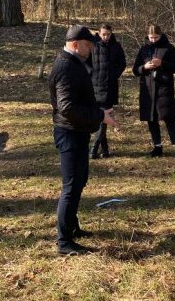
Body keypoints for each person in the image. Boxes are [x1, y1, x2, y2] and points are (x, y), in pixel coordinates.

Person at [49, 25, 118, 255]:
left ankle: (72, 227)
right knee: (70, 186)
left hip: (78, 132)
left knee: (79, 182)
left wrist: (100, 112)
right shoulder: (66, 66)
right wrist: (100, 116)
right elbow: (67, 107)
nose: (91, 50)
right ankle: (64, 241)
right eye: (88, 46)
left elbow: (79, 99)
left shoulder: (74, 62)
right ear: (75, 44)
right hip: (69, 133)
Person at [133, 24, 175, 158]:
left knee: (169, 117)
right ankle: (157, 146)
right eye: (151, 37)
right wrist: (144, 67)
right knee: (151, 119)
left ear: (161, 35)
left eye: (156, 37)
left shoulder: (169, 48)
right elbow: (135, 70)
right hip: (147, 89)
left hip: (164, 88)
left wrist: (161, 63)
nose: (153, 40)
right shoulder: (144, 49)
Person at [90, 24, 127, 159]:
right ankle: (105, 150)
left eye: (108, 34)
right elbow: (86, 62)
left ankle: (93, 149)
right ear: (99, 33)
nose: (106, 37)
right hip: (94, 87)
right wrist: (91, 75)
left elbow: (122, 63)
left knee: (103, 118)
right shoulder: (92, 45)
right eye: (103, 34)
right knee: (101, 118)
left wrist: (113, 75)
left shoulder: (116, 46)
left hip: (110, 87)